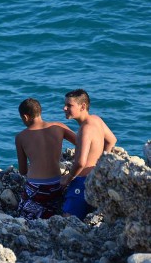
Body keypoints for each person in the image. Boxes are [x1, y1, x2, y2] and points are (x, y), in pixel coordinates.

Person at [15, 98, 76, 220]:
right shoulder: (59, 127)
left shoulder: (21, 137)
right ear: (40, 112)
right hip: (56, 185)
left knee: (23, 216)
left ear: (25, 117)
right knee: (51, 210)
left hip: (36, 188)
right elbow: (81, 143)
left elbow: (22, 170)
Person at [61, 89, 117, 220]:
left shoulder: (85, 129)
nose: (64, 108)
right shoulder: (96, 120)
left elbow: (80, 162)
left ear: (83, 106)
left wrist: (67, 179)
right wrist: (99, 165)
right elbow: (111, 140)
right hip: (95, 178)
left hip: (81, 182)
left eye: (69, 105)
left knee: (68, 220)